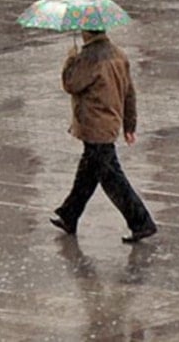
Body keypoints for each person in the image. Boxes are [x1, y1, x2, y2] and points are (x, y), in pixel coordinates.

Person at [50, 30, 157, 243]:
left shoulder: (90, 58)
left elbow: (71, 84)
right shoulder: (118, 54)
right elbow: (129, 92)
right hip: (110, 122)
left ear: (87, 33)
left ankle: (141, 222)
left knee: (112, 178)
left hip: (95, 125)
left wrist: (70, 59)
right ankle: (69, 214)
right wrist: (129, 123)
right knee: (88, 173)